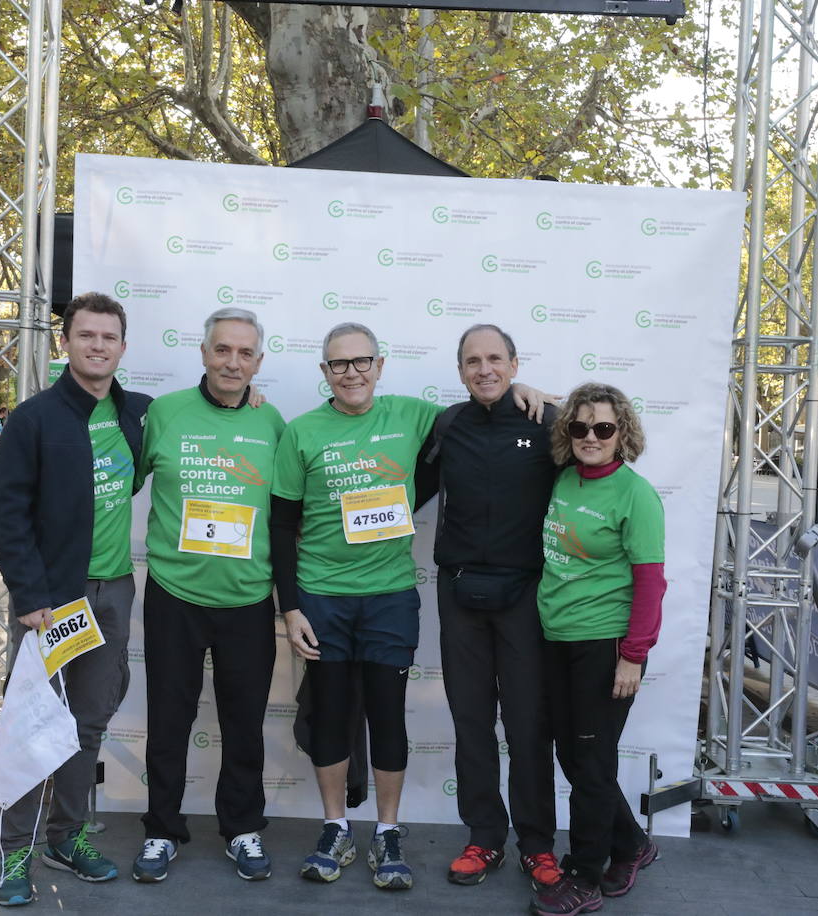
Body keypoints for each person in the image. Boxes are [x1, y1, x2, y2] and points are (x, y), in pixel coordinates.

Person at [0, 292, 150, 907]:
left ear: (122, 347)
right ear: (66, 342)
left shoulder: (137, 413)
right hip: (53, 605)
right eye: (86, 335)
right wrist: (29, 595)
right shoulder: (34, 418)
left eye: (109, 337)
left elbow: (202, 415)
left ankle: (68, 836)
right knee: (32, 728)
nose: (98, 346)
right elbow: (8, 512)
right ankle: (15, 854)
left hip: (113, 597)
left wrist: (252, 400)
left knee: (88, 725)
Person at [270, 322, 445, 891]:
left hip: (391, 594)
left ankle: (388, 831)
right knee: (332, 714)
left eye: (361, 361)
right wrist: (290, 607)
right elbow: (281, 525)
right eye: (339, 364)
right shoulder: (301, 433)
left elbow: (475, 420)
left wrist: (532, 395)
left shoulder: (412, 415)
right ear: (324, 372)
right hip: (322, 596)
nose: (352, 372)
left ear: (380, 364)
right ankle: (335, 826)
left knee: (389, 715)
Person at [131, 307, 284, 884]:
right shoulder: (164, 414)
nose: (233, 362)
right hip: (175, 595)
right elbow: (120, 482)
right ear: (203, 353)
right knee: (168, 719)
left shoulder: (274, 425)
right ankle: (161, 830)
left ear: (258, 363)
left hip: (247, 601)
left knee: (244, 724)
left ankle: (242, 828)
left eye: (245, 353)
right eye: (223, 350)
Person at [428, 325, 561, 891]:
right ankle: (484, 837)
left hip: (526, 596)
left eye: (495, 360)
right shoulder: (446, 424)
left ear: (513, 364)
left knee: (529, 724)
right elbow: (401, 489)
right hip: (459, 594)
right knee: (471, 721)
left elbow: (605, 436)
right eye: (472, 361)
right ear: (459, 370)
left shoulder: (548, 421)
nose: (484, 369)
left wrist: (547, 395)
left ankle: (537, 845)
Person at [533, 382, 664, 916]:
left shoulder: (636, 494)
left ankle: (585, 876)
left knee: (590, 763)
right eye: (579, 426)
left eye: (603, 428)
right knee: (576, 756)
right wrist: (531, 391)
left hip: (605, 644)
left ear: (622, 434)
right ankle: (632, 844)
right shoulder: (565, 478)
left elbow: (651, 584)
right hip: (557, 638)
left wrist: (633, 655)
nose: (590, 436)